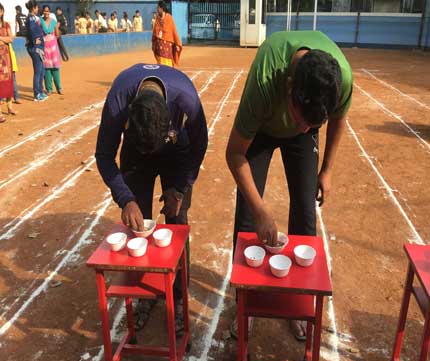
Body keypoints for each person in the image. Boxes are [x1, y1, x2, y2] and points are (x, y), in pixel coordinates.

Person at [225, 31, 353, 340]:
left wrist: (327, 170)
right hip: (262, 129)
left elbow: (338, 121)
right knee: (247, 219)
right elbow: (234, 153)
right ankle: (245, 304)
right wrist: (260, 209)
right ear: (290, 88)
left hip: (299, 135)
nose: (307, 128)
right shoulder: (266, 78)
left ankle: (297, 304)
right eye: (301, 120)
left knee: (305, 215)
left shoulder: (340, 80)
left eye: (313, 125)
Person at [95, 64, 208, 332]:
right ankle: (143, 294)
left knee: (177, 222)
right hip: (135, 157)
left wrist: (180, 188)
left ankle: (179, 298)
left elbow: (199, 145)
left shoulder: (186, 99)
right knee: (139, 226)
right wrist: (126, 199)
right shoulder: (118, 100)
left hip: (176, 153)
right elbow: (104, 155)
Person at [25, 0, 47, 101]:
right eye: (37, 7)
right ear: (33, 8)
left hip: (39, 47)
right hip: (35, 48)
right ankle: (37, 94)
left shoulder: (34, 18)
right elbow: (31, 31)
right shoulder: (30, 19)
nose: (38, 9)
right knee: (38, 71)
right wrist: (35, 40)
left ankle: (40, 91)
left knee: (41, 70)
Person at [152, 1, 182, 67]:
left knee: (167, 65)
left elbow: (174, 31)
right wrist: (154, 42)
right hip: (159, 47)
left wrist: (177, 44)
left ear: (162, 8)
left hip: (167, 47)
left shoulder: (169, 18)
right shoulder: (157, 18)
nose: (157, 9)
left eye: (158, 8)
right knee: (160, 65)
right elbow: (155, 31)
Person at [41, 4, 62, 95]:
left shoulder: (53, 21)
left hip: (53, 47)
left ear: (49, 12)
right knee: (47, 69)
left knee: (55, 68)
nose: (46, 12)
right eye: (45, 11)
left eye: (47, 11)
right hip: (44, 47)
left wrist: (56, 28)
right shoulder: (40, 21)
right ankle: (49, 89)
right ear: (42, 12)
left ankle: (59, 88)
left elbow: (57, 35)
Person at [0, 2, 16, 122]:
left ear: (2, 12)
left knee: (8, 80)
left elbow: (11, 38)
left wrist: (1, 39)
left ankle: (10, 107)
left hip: (6, 57)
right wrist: (5, 40)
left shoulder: (6, 25)